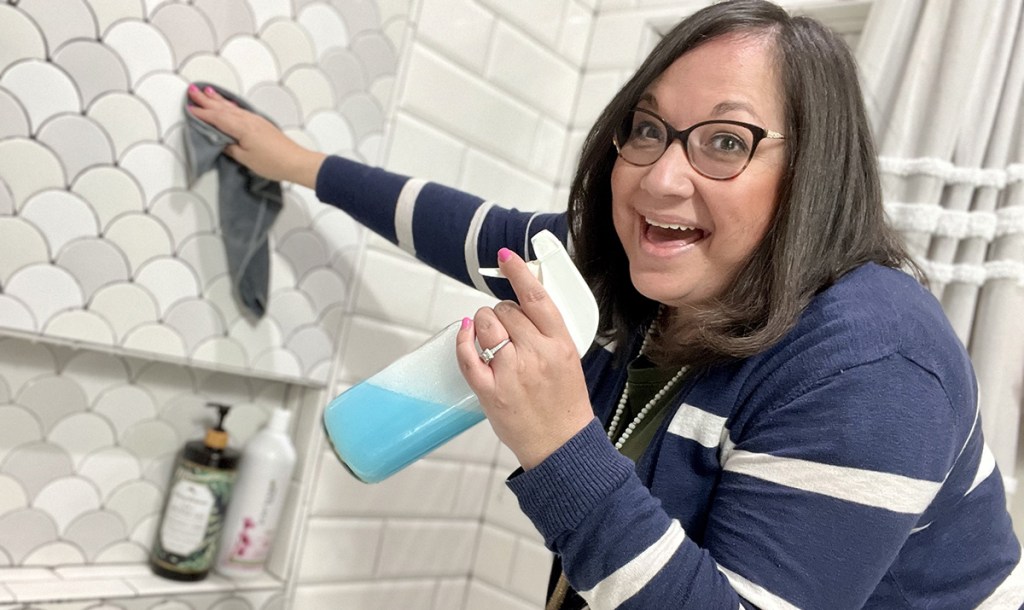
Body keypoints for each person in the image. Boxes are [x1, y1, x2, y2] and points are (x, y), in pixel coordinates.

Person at [187, 0, 1023, 607]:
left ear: (814, 177)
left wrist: (557, 444)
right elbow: (464, 227)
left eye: (727, 142)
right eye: (649, 128)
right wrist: (297, 162)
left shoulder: (873, 368)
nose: (661, 176)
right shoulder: (622, 270)